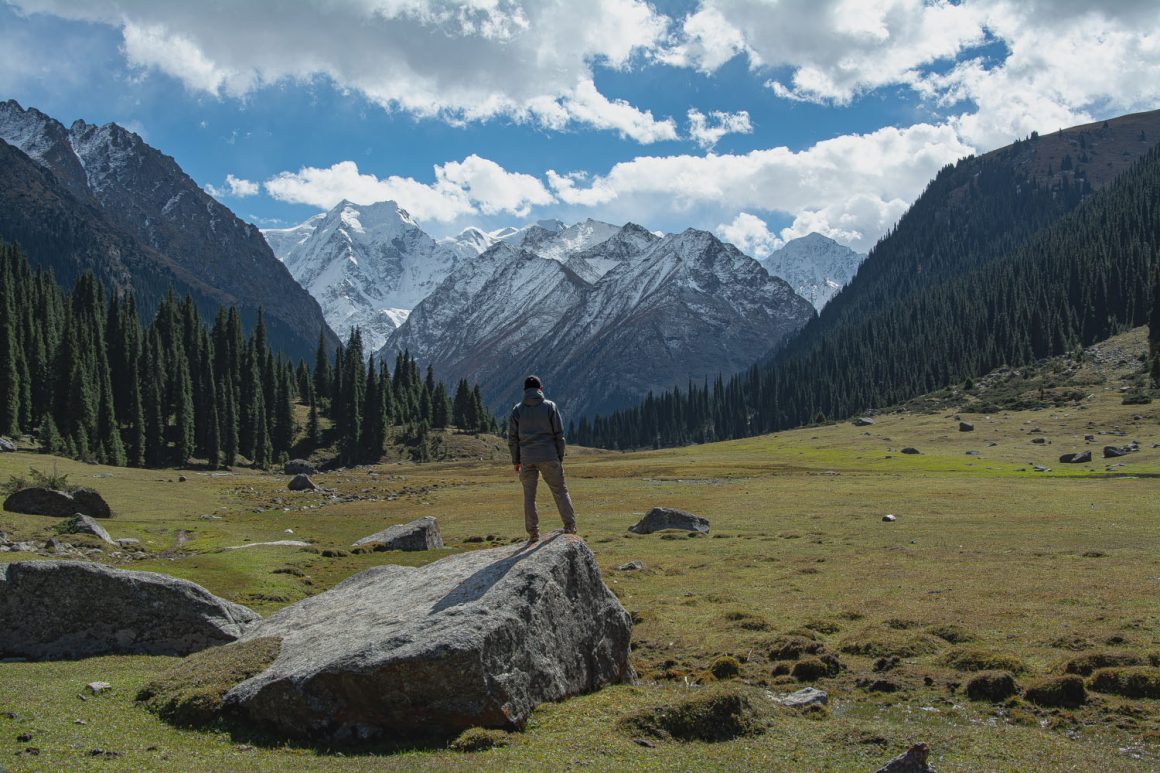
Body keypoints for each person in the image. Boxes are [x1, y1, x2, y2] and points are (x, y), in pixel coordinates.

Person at [508, 375, 577, 541]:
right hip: (549, 455)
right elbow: (559, 435)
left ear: (525, 391)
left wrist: (516, 461)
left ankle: (533, 533)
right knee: (560, 491)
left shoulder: (517, 410)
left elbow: (513, 439)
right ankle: (570, 526)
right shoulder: (550, 407)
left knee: (529, 495)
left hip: (527, 458)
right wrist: (559, 456)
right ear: (541, 389)